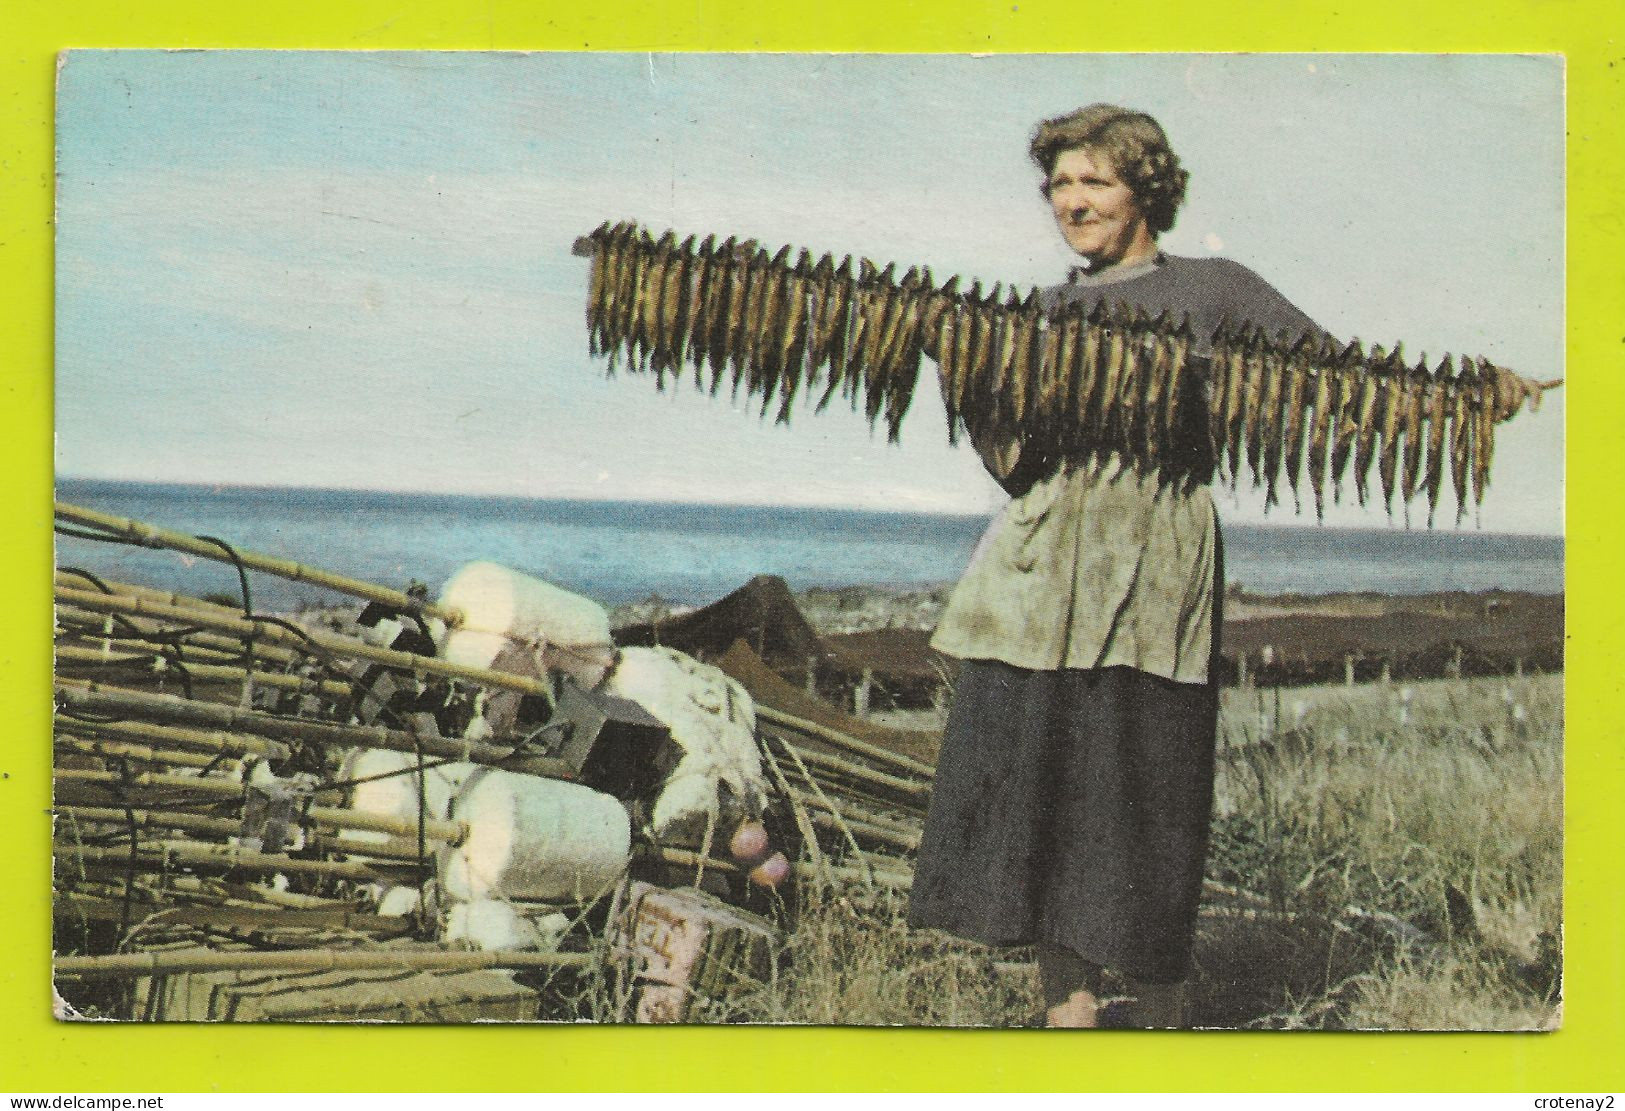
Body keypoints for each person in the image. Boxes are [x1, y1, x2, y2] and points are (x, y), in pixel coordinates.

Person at [906, 104, 1326, 1028]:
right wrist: (962, 374)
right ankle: (1071, 1008)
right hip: (1043, 560)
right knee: (1041, 779)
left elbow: (1340, 386)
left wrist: (1469, 399)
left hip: (1154, 561)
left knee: (1145, 780)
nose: (1070, 200)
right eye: (1058, 183)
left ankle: (1168, 1005)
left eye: (1092, 180)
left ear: (1144, 188)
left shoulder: (1215, 291)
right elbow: (1016, 465)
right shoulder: (1044, 313)